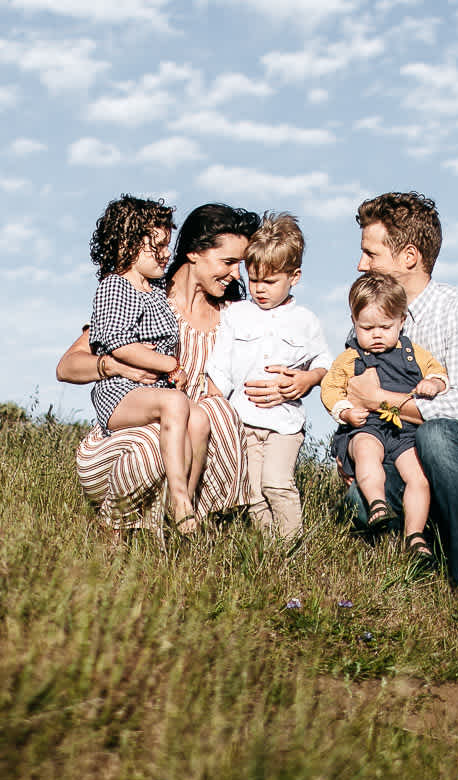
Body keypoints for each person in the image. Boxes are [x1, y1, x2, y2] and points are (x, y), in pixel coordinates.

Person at [59, 204, 322, 538]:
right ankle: (113, 531)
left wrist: (306, 380)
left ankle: (200, 528)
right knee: (162, 435)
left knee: (214, 411)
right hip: (133, 440)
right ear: (195, 252)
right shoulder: (148, 302)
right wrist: (111, 364)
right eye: (228, 262)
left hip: (200, 444)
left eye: (241, 265)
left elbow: (309, 355)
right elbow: (67, 366)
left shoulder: (238, 318)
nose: (237, 275)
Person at [339, 191, 458, 586]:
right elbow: (350, 398)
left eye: (371, 254)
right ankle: (421, 553)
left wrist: (381, 400)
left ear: (409, 257)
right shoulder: (367, 325)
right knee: (358, 502)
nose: (361, 265)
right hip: (411, 466)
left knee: (438, 433)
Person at [204, 212, 331, 541]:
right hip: (243, 424)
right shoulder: (236, 316)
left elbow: (324, 364)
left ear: (295, 276)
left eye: (270, 282)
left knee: (276, 484)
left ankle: (292, 549)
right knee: (255, 496)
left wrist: (306, 380)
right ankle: (270, 555)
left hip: (284, 425)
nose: (259, 289)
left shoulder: (304, 320)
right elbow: (219, 370)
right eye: (254, 279)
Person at [83, 195, 203, 528]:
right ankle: (179, 499)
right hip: (120, 393)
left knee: (200, 422)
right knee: (176, 404)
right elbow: (119, 344)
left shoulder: (154, 290)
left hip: (150, 390)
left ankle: (182, 501)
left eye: (168, 245)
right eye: (158, 246)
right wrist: (170, 366)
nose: (167, 253)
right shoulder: (115, 287)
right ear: (129, 245)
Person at [320, 272, 448, 562]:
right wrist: (345, 411)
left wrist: (434, 383)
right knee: (366, 453)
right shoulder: (349, 358)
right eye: (367, 327)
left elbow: (439, 371)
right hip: (368, 425)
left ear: (402, 321)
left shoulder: (412, 352)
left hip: (405, 432)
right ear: (354, 322)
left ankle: (415, 535)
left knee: (418, 477)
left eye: (385, 327)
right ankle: (377, 504)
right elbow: (330, 389)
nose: (376, 334)